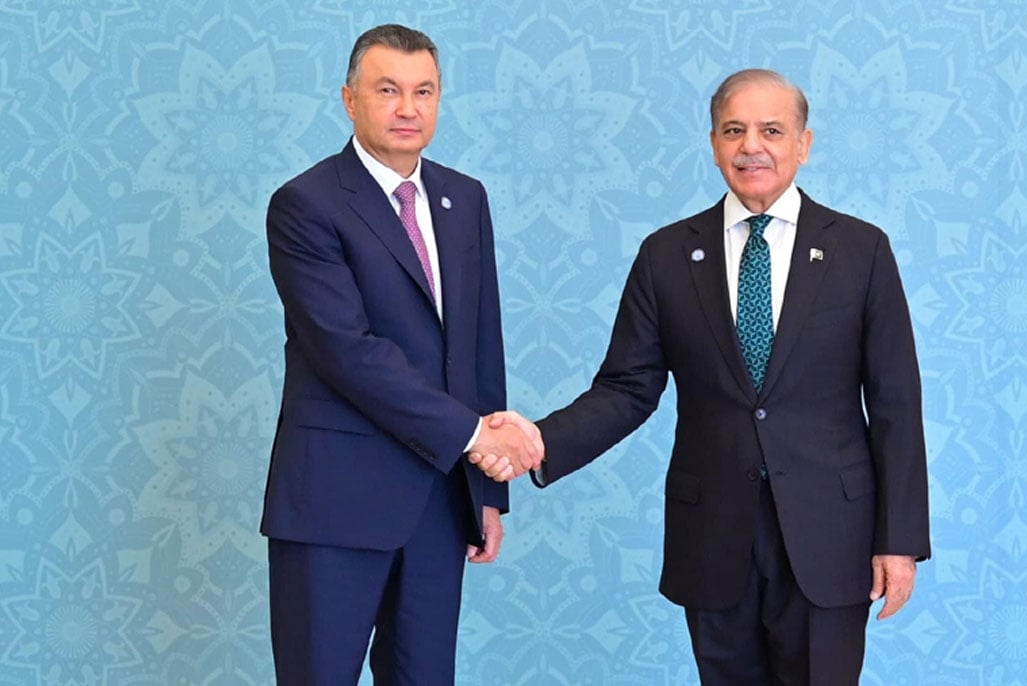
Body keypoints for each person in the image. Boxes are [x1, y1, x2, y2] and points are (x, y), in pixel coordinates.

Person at [477, 68, 930, 684]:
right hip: (715, 533)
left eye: (772, 130)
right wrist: (539, 440)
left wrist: (898, 539)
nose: (753, 146)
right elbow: (627, 388)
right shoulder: (666, 255)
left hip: (832, 536)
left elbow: (896, 403)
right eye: (735, 130)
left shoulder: (861, 250)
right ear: (714, 143)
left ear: (803, 143)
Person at [260, 24, 541, 685]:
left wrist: (487, 491)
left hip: (438, 503)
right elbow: (347, 351)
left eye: (424, 91)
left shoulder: (464, 199)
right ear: (349, 99)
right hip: (333, 501)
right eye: (387, 90)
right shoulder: (306, 205)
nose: (408, 108)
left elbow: (478, 346)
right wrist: (476, 438)